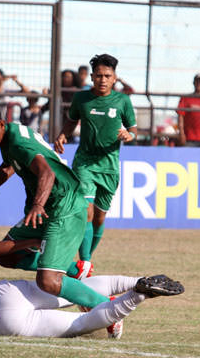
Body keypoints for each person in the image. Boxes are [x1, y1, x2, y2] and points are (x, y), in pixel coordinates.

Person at [0, 101, 115, 324]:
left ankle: (107, 306)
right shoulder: (9, 137)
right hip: (46, 207)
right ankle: (75, 269)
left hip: (63, 205)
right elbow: (8, 166)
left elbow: (47, 173)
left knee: (48, 281)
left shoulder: (19, 143)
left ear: (0, 124)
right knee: (6, 254)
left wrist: (38, 205)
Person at [0, 239, 184, 338]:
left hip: (3, 325)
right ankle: (137, 280)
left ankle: (139, 295)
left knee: (81, 323)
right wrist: (33, 241)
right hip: (4, 294)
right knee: (71, 289)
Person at [54, 54, 137, 279]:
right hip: (84, 164)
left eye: (107, 76)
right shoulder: (82, 99)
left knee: (99, 218)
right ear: (92, 77)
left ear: (115, 78)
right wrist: (63, 134)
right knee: (86, 212)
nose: (102, 79)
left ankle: (85, 264)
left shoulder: (123, 101)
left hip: (109, 168)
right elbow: (72, 120)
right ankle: (85, 262)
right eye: (98, 75)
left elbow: (133, 129)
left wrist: (128, 135)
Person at [177, 74, 200, 148]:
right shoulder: (186, 98)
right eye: (197, 81)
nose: (199, 84)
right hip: (190, 138)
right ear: (194, 83)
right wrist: (181, 133)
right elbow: (180, 116)